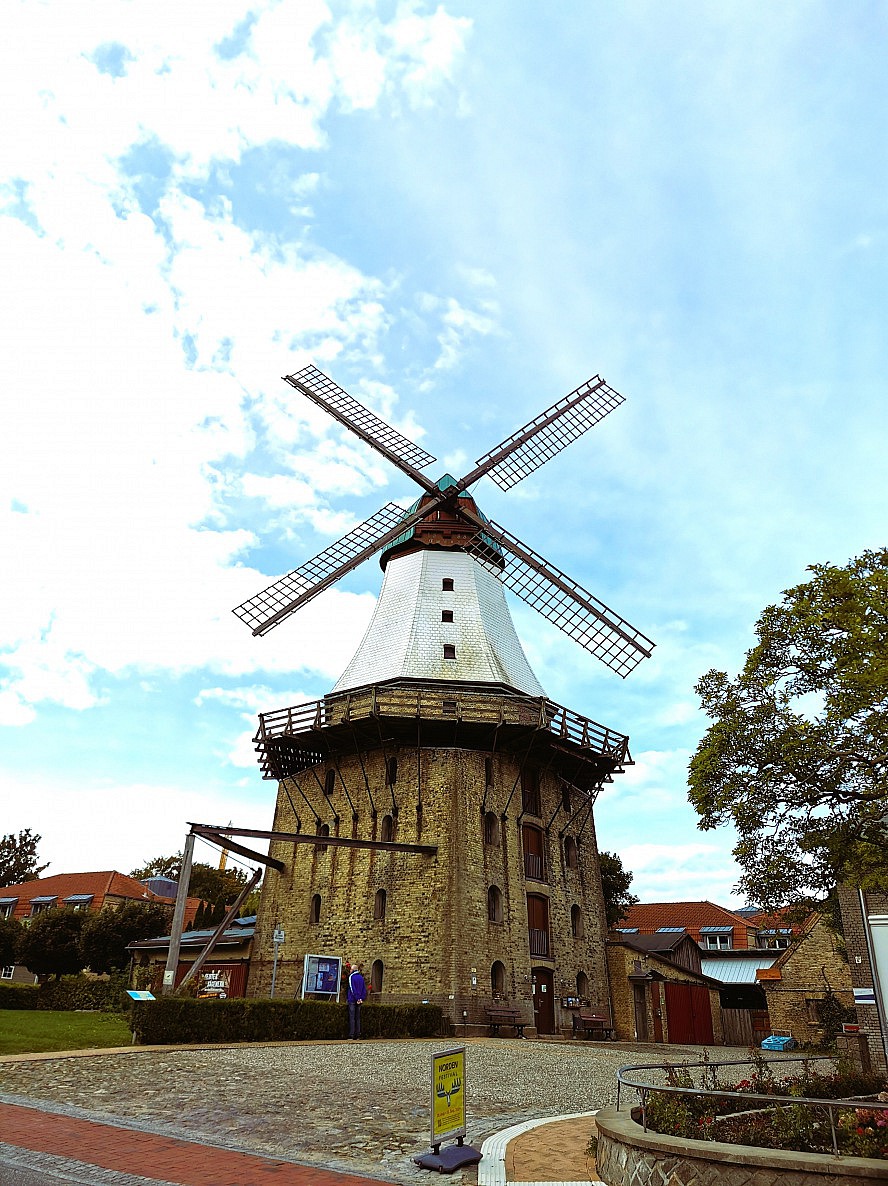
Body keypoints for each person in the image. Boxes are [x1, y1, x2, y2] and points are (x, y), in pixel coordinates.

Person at [347, 960, 367, 1039]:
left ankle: (351, 1034)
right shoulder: (361, 978)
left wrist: (357, 998)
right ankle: (358, 1034)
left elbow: (352, 988)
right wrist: (361, 998)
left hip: (352, 999)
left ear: (353, 970)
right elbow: (363, 989)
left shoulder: (351, 977)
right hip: (360, 999)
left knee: (352, 1017)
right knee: (358, 1018)